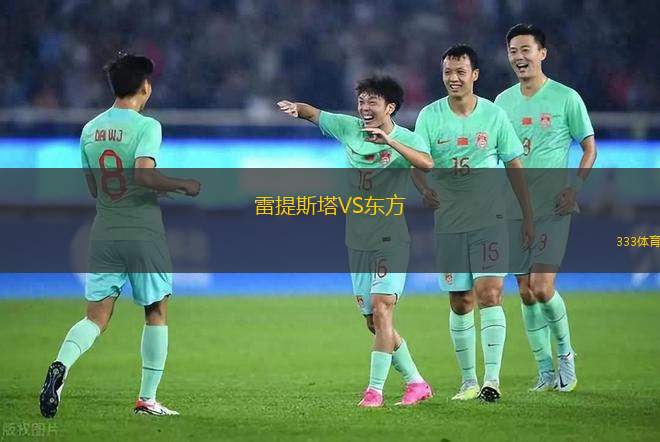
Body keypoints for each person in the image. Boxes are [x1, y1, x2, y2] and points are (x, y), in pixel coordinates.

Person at [39, 53, 200, 418]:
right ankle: (147, 400)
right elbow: (144, 175)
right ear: (145, 87)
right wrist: (181, 185)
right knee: (156, 310)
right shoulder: (147, 126)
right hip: (142, 230)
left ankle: (61, 365)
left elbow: (94, 188)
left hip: (104, 230)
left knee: (95, 318)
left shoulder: (90, 129)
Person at [277, 75, 434, 407]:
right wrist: (296, 108)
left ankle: (374, 391)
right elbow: (313, 113)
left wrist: (390, 141)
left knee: (382, 308)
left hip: (390, 237)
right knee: (373, 322)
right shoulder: (348, 128)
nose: (364, 107)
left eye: (372, 101)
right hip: (358, 240)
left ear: (390, 107)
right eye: (361, 101)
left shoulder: (407, 138)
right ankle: (417, 382)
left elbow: (426, 163)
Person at [412, 45, 533, 402]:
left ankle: (491, 381)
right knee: (461, 301)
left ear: (474, 75)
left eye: (460, 72)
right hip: (450, 222)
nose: (453, 78)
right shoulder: (429, 116)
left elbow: (514, 165)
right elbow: (417, 163)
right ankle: (468, 381)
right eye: (448, 72)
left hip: (490, 219)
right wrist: (424, 189)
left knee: (490, 294)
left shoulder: (494, 116)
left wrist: (527, 214)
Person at [495, 23, 597, 392]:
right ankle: (544, 370)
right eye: (513, 51)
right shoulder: (502, 102)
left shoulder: (566, 98)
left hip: (553, 207)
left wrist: (574, 188)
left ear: (542, 53)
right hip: (513, 209)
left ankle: (566, 356)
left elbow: (589, 147)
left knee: (541, 286)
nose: (519, 57)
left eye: (526, 50)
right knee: (524, 291)